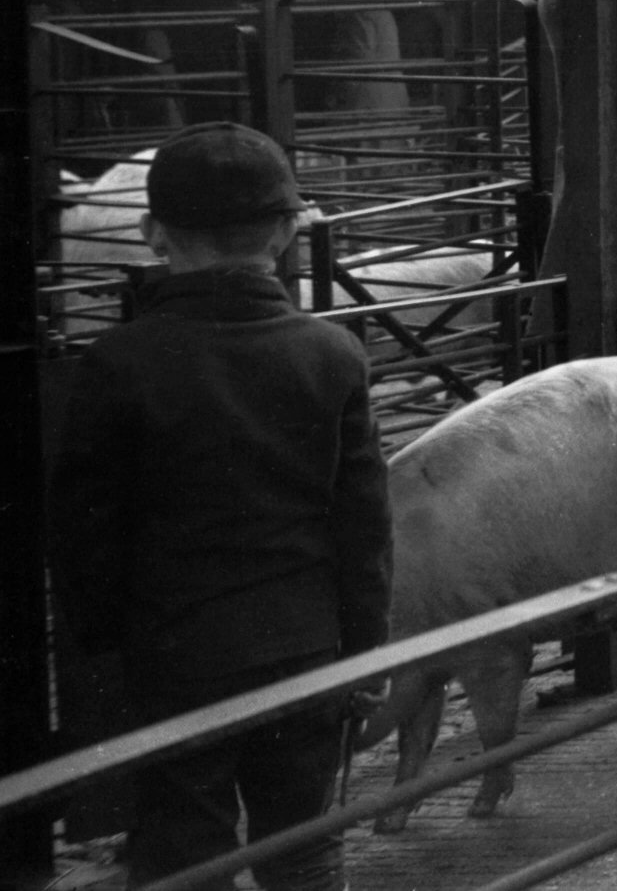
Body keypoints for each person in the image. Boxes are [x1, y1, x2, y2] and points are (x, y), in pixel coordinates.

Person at [50, 122, 392, 891]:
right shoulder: (332, 354)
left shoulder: (116, 365)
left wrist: (109, 647)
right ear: (284, 233)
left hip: (177, 657)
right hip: (306, 652)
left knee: (183, 853)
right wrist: (366, 653)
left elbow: (85, 536)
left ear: (151, 233)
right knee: (303, 850)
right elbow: (364, 529)